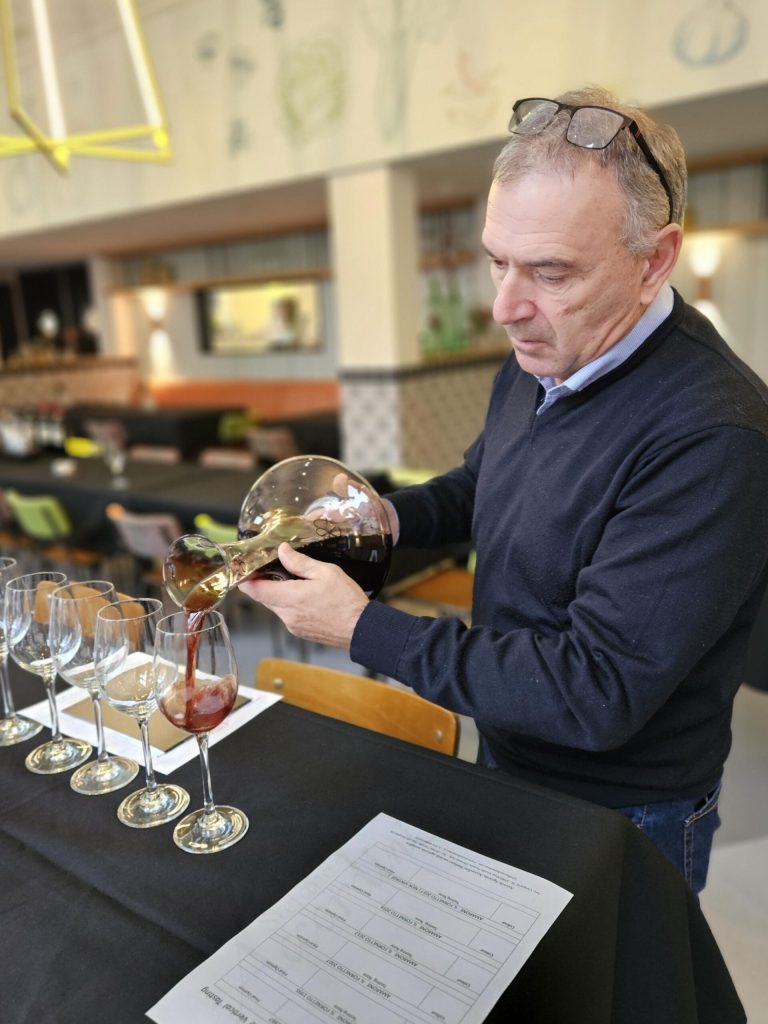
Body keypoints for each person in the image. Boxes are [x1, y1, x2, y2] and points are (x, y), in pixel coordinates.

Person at [240, 86, 768, 894]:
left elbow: (597, 689)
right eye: (498, 260)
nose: (506, 307)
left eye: (551, 271)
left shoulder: (713, 435)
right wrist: (381, 516)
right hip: (509, 741)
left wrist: (363, 629)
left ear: (654, 259)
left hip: (627, 805)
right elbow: (483, 483)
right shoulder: (544, 352)